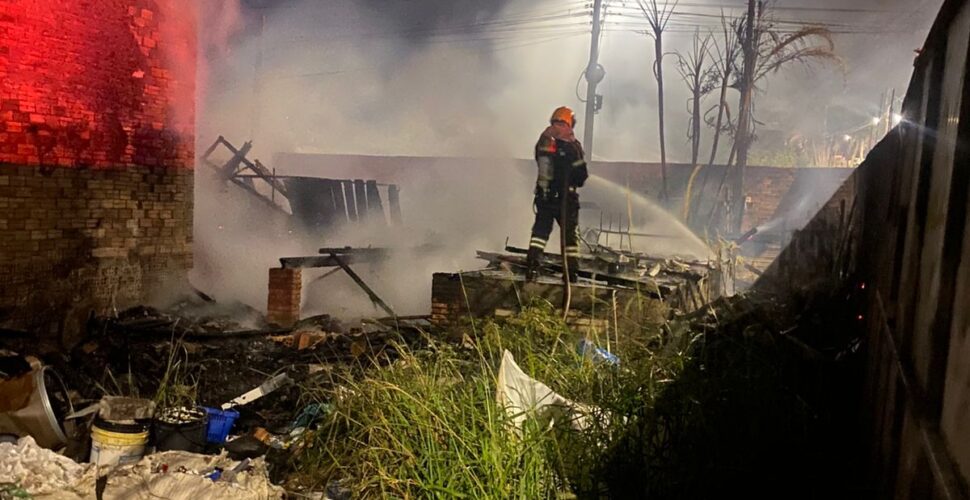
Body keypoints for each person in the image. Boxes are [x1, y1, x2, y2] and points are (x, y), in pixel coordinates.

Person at [526, 106, 589, 283]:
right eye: (558, 124)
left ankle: (532, 269)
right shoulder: (572, 147)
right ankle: (570, 274)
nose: (559, 127)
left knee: (540, 233)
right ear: (571, 125)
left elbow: (542, 162)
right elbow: (581, 177)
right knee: (568, 236)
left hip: (546, 198)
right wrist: (571, 157)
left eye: (560, 123)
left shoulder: (544, 141)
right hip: (564, 199)